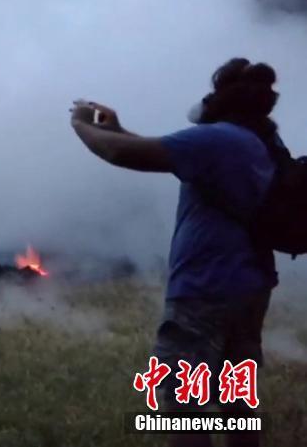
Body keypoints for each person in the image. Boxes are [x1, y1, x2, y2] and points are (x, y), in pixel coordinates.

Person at [69, 58, 283, 447]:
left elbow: (120, 155)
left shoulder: (218, 139)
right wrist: (117, 128)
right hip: (249, 284)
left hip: (206, 286)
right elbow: (166, 153)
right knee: (235, 399)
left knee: (182, 402)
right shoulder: (258, 141)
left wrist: (81, 125)